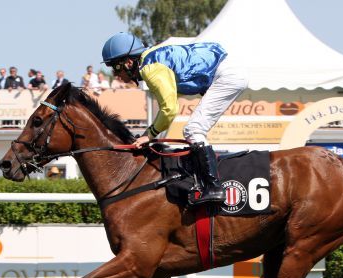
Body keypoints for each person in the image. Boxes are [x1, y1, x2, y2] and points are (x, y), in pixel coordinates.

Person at [101, 32, 248, 204]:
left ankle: (214, 187)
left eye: (116, 67)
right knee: (194, 129)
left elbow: (170, 109)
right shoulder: (152, 58)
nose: (116, 74)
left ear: (128, 62)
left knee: (193, 130)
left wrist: (149, 134)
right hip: (227, 71)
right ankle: (204, 182)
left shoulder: (150, 68)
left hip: (226, 76)